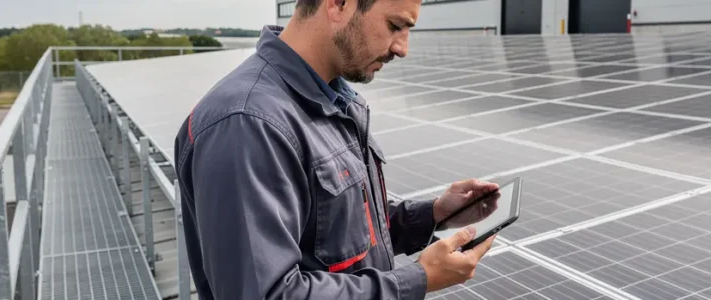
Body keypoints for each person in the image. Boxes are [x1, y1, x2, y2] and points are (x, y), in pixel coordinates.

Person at [172, 0, 500, 299]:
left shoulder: (333, 99)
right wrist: (417, 279)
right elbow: (267, 294)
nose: (402, 49)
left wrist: (434, 214)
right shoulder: (247, 124)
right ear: (338, 5)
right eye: (395, 26)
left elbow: (341, 228)